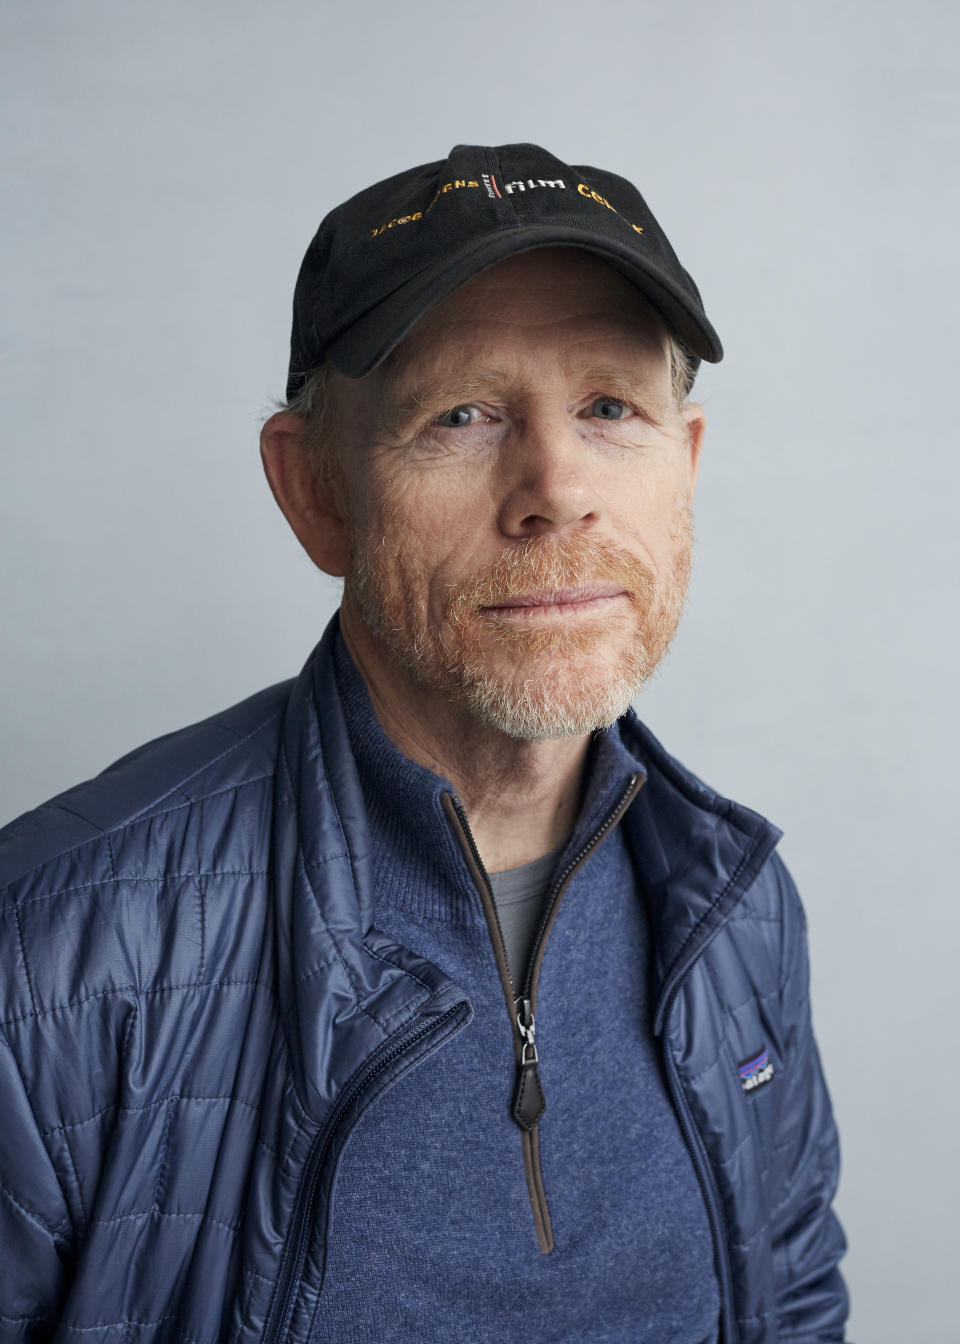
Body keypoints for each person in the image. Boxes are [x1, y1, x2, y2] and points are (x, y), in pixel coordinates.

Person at [0, 142, 848, 1343]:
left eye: (610, 408)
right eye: (461, 414)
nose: (556, 486)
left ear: (687, 468)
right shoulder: (48, 968)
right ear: (316, 494)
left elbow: (796, 1302)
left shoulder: (739, 912)